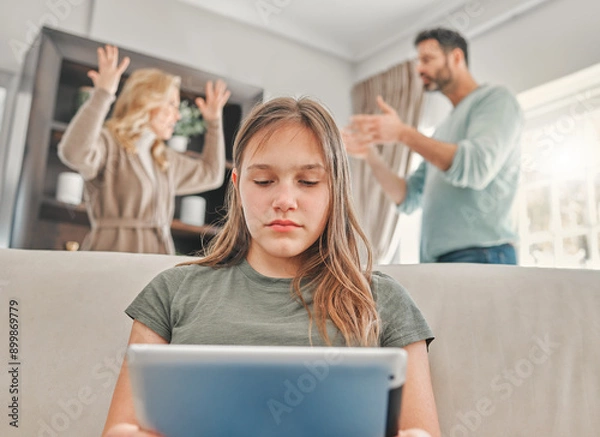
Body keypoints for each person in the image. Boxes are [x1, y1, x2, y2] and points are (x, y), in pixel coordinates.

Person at [101, 97, 440, 437]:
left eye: (308, 182)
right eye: (263, 181)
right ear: (236, 186)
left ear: (335, 189)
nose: (284, 201)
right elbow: (120, 430)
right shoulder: (172, 292)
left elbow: (419, 432)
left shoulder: (383, 300)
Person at [343, 28, 523, 264]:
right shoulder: (441, 131)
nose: (419, 69)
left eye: (427, 59)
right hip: (437, 259)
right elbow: (408, 196)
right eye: (418, 61)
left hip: (483, 253)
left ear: (456, 57)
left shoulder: (495, 100)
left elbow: (477, 166)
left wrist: (403, 133)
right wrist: (370, 155)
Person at [58, 45, 231, 254]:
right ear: (147, 101)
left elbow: (211, 175)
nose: (177, 116)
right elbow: (73, 153)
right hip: (111, 258)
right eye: (171, 105)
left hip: (155, 263)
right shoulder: (109, 144)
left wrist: (214, 123)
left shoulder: (163, 158)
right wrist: (102, 94)